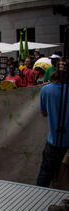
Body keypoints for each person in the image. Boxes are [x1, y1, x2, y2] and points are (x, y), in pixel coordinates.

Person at [36, 59, 68, 188]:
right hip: (65, 143)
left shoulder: (46, 90)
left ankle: (38, 198)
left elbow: (44, 113)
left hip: (53, 141)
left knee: (45, 174)